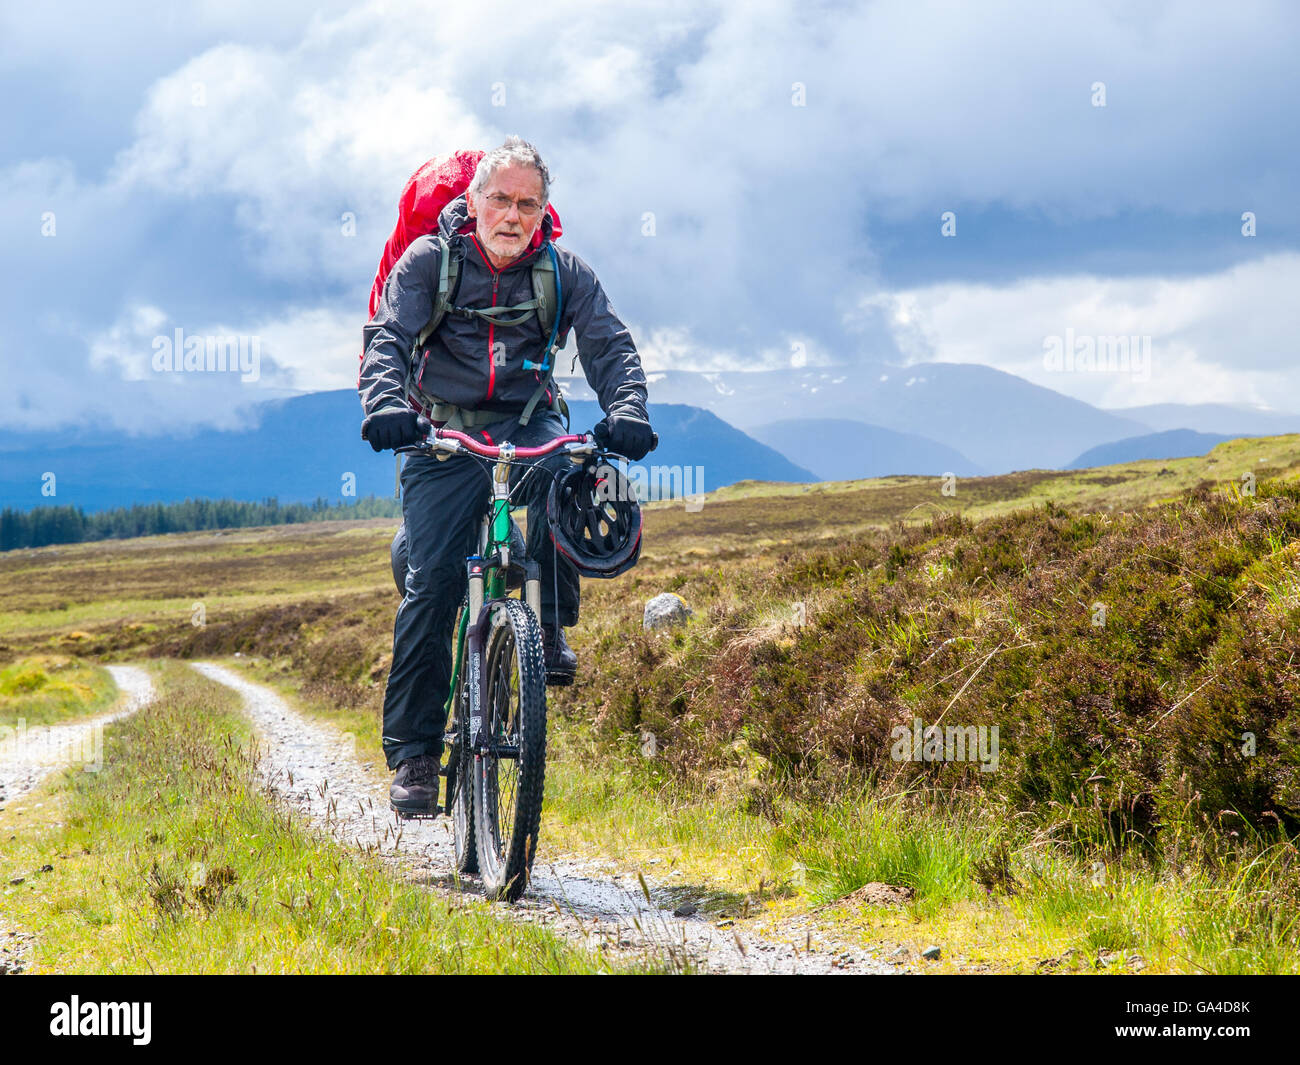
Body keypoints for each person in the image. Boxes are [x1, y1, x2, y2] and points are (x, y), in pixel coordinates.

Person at [359, 137, 654, 814]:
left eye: (527, 202)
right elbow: (389, 341)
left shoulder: (563, 271)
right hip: (441, 430)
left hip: (527, 419)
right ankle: (413, 755)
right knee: (432, 583)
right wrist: (384, 406)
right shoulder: (430, 262)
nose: (512, 214)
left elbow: (608, 344)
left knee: (572, 475)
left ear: (543, 210)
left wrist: (628, 408)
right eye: (499, 199)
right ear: (473, 202)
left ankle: (548, 628)